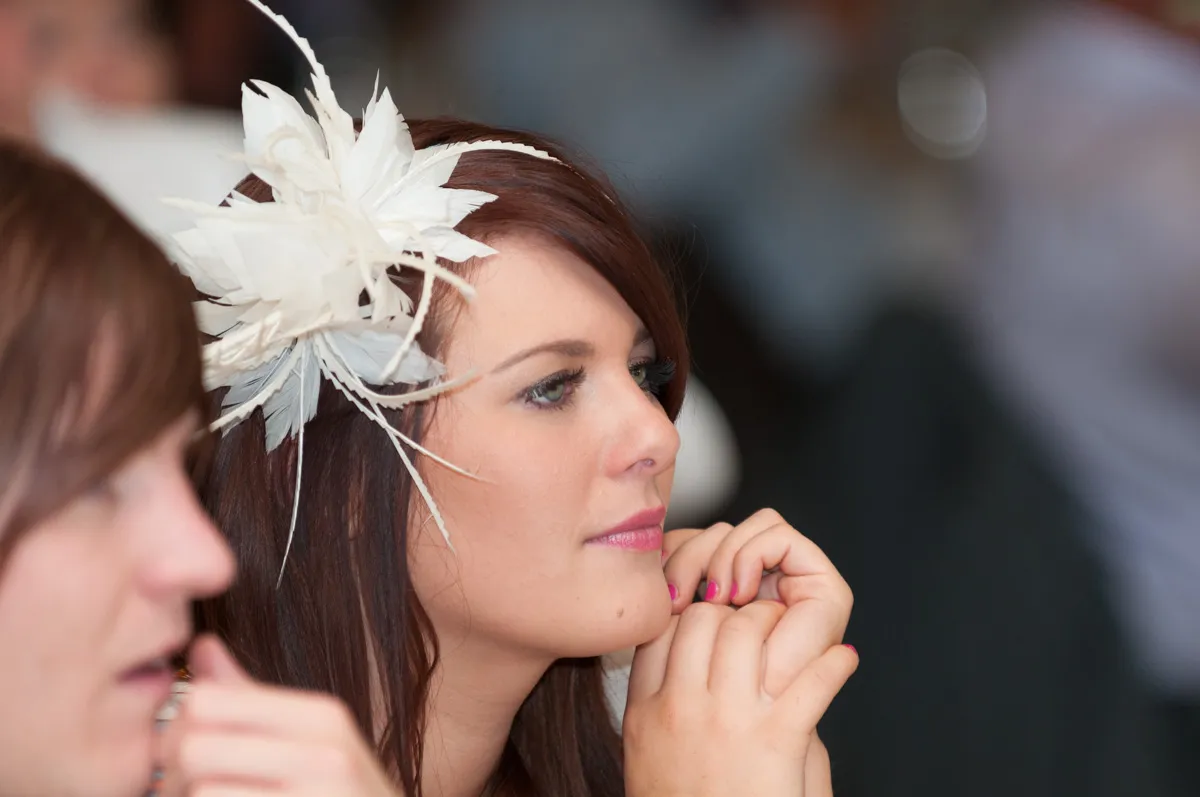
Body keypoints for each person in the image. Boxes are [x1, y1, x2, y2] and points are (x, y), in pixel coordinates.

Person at [182, 2, 857, 796]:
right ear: (352, 475)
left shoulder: (696, 752)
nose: (658, 436)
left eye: (645, 376)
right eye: (551, 388)